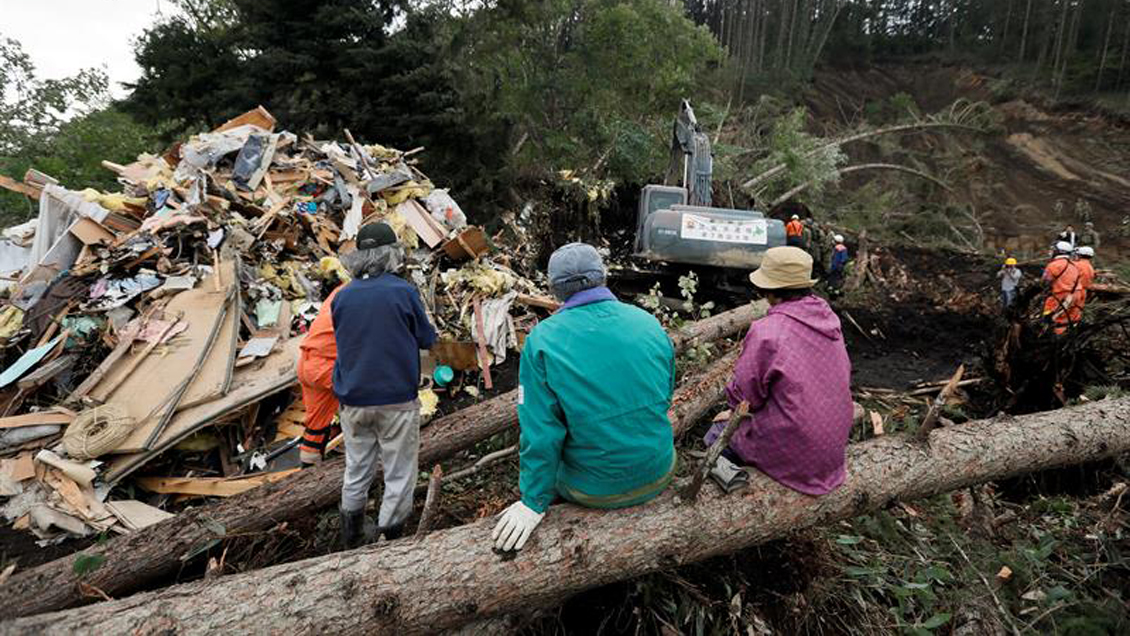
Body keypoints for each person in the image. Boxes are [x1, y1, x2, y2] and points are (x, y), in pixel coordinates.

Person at [492, 243, 676, 552]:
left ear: (555, 290)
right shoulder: (648, 322)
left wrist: (533, 501)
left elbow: (541, 433)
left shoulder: (542, 340)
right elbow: (666, 393)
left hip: (594, 489)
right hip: (659, 470)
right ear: (603, 276)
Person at [703, 246, 853, 496]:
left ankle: (735, 486)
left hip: (797, 454)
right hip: (833, 452)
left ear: (768, 290)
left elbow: (746, 397)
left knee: (715, 434)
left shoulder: (767, 331)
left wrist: (731, 411)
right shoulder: (829, 320)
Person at [332, 222, 437, 548]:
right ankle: (389, 541)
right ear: (393, 254)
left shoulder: (342, 297)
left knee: (356, 469)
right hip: (395, 399)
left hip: (353, 399)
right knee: (399, 472)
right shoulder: (403, 292)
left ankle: (352, 537)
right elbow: (427, 338)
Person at [297, 283, 345, 466]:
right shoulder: (363, 296)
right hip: (328, 365)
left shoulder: (339, 292)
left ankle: (309, 469)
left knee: (316, 422)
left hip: (307, 362)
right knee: (369, 402)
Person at [1041, 241, 1081, 336]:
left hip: (1059, 296)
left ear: (1059, 251)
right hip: (1075, 295)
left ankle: (1053, 338)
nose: (1051, 251)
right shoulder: (1073, 265)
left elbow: (1045, 282)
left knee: (1051, 319)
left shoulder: (1054, 265)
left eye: (1054, 250)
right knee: (1067, 320)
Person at [1072, 246, 1097, 326]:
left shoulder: (1075, 264)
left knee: (1065, 314)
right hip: (1083, 292)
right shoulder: (1090, 267)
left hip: (1073, 292)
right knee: (1076, 314)